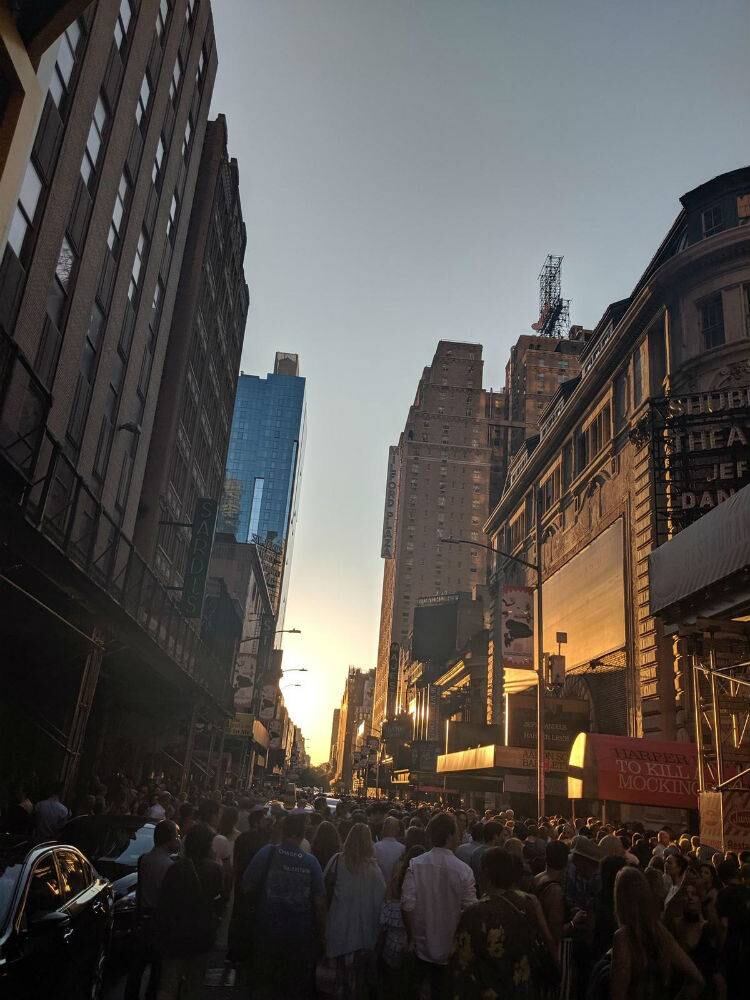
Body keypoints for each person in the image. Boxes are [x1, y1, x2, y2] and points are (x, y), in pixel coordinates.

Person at [242, 812, 326, 1000]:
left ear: (284, 831)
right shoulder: (311, 862)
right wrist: (323, 934)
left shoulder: (267, 853)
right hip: (299, 935)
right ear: (302, 835)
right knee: (292, 985)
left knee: (265, 983)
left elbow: (246, 885)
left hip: (267, 929)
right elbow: (320, 903)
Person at [451, 847, 544, 999]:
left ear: (485, 873)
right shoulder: (527, 902)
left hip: (490, 990)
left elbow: (462, 960)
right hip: (521, 988)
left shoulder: (475, 913)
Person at [401, 812, 476, 999]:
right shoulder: (464, 871)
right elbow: (471, 910)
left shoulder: (415, 864)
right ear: (449, 836)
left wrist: (412, 937)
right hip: (451, 949)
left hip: (421, 946)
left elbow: (407, 904)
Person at [610, 866, 703, 1000]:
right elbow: (697, 979)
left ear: (620, 899)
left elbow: (617, 994)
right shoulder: (659, 931)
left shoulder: (623, 937)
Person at [155, 823, 224, 1000]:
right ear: (207, 845)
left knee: (168, 984)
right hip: (201, 935)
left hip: (176, 934)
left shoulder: (176, 868)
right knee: (194, 985)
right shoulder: (215, 869)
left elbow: (164, 902)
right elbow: (218, 900)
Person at [323, 822, 386, 998]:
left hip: (337, 929)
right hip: (363, 936)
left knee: (337, 982)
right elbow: (380, 902)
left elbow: (323, 890)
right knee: (357, 984)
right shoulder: (374, 870)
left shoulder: (337, 861)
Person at [125, 820, 180, 1000]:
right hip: (159, 922)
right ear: (168, 839)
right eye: (177, 836)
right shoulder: (170, 866)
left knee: (137, 969)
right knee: (157, 970)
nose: (179, 840)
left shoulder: (144, 859)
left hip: (143, 920)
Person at [379, 846, 426, 995]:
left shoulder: (397, 880)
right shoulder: (424, 884)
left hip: (392, 946)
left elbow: (385, 913)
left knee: (393, 986)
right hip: (418, 947)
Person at [715, 858, 750, 999]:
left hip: (733, 946)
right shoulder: (747, 891)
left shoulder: (724, 894)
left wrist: (720, 951)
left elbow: (724, 924)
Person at [533, 840, 569, 957]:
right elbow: (555, 932)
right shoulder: (555, 890)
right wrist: (574, 922)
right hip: (549, 952)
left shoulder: (537, 878)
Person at [373, 816, 405, 885]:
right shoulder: (402, 848)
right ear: (397, 830)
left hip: (379, 885)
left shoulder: (375, 847)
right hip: (394, 887)